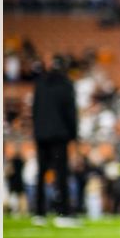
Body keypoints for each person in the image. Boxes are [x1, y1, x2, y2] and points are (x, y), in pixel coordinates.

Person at [32, 55, 79, 227]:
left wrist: (37, 132)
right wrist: (74, 135)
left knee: (41, 173)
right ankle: (63, 213)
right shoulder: (66, 84)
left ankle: (39, 213)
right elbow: (70, 113)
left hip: (41, 135)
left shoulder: (40, 83)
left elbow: (35, 109)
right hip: (60, 135)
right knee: (61, 174)